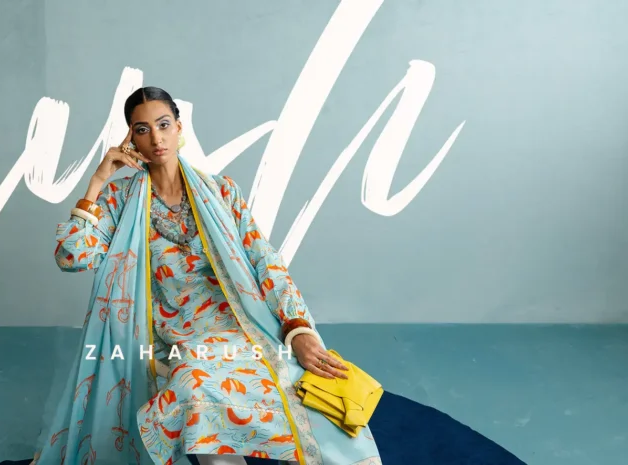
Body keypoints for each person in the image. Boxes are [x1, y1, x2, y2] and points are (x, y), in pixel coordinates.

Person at [33, 87, 382, 465]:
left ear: (179, 127)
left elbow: (266, 263)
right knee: (195, 383)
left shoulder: (221, 191)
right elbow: (73, 257)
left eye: (163, 124)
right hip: (173, 335)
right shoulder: (120, 200)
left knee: (302, 389)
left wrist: (298, 330)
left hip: (241, 326)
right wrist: (98, 180)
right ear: (130, 138)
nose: (156, 137)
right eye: (142, 129)